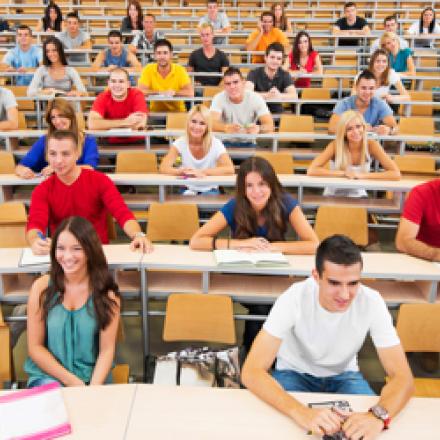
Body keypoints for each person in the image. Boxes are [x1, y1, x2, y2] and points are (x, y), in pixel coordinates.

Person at [241, 234, 414, 438]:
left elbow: (403, 377)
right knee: (288, 431)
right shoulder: (293, 298)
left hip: (345, 376)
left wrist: (377, 417)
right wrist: (301, 412)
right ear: (316, 276)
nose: (345, 295)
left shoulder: (372, 301)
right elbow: (251, 371)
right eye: (334, 283)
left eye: (353, 283)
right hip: (294, 374)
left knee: (371, 432)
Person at [190, 156, 319, 349]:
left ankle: (253, 355)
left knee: (264, 306)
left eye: (262, 184)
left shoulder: (285, 202)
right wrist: (240, 244)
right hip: (240, 274)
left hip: (274, 273)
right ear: (242, 188)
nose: (256, 191)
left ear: (271, 184)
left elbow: (314, 244)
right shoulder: (236, 204)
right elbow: (196, 240)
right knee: (264, 306)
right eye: (249, 185)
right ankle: (262, 356)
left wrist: (274, 246)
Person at [24, 216, 121, 387]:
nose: (67, 256)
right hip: (49, 376)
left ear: (90, 252)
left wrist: (91, 389)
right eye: (61, 248)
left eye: (77, 248)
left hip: (93, 379)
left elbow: (106, 351)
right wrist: (73, 382)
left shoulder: (107, 294)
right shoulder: (41, 289)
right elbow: (35, 348)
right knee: (59, 408)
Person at [26, 130, 152, 255]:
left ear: (77, 154)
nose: (58, 160)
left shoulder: (100, 180)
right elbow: (35, 224)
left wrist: (138, 235)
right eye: (53, 154)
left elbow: (122, 213)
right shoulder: (42, 190)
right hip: (64, 256)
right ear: (47, 156)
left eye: (65, 154)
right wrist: (35, 240)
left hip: (96, 253)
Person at [308, 110, 400, 197]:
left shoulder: (371, 145)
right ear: (344, 132)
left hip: (359, 195)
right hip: (333, 194)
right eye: (349, 129)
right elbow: (312, 170)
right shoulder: (335, 145)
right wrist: (344, 173)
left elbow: (395, 173)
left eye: (358, 126)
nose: (355, 132)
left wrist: (361, 175)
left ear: (364, 127)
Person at [159, 104, 234, 195]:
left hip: (210, 188)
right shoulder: (180, 142)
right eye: (193, 121)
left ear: (207, 127)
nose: (197, 127)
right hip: (187, 188)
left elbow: (230, 169)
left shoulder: (215, 143)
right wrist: (180, 172)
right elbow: (163, 167)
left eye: (202, 123)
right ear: (188, 122)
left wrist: (202, 172)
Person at [16, 98, 98, 179]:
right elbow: (21, 166)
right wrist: (23, 171)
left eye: (61, 115)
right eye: (53, 117)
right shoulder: (45, 140)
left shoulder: (88, 140)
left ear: (70, 116)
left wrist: (58, 168)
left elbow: (90, 168)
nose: (57, 121)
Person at [210, 67, 274, 147]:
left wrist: (259, 129)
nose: (232, 86)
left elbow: (270, 125)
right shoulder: (218, 98)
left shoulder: (255, 98)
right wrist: (225, 128)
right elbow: (211, 123)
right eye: (228, 84)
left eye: (236, 82)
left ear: (243, 83)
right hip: (224, 142)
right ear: (224, 86)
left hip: (249, 142)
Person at [328, 69, 398, 135]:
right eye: (363, 88)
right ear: (356, 87)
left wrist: (389, 130)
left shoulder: (380, 103)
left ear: (375, 88)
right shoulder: (344, 103)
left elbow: (395, 128)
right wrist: (359, 128)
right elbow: (331, 128)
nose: (367, 92)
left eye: (371, 88)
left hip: (371, 145)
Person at [88, 67, 148, 143]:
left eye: (121, 81)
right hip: (110, 143)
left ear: (128, 84)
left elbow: (140, 124)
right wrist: (125, 122)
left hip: (137, 142)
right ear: (108, 84)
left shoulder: (137, 94)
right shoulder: (102, 97)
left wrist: (106, 124)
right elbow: (92, 124)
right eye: (113, 81)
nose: (117, 85)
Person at [137, 39, 194, 113]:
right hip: (155, 113)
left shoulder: (180, 70)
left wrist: (174, 93)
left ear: (171, 55)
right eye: (159, 53)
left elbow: (190, 93)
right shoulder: (148, 69)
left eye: (165, 53)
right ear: (154, 55)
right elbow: (140, 92)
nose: (162, 56)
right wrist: (160, 92)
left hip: (177, 112)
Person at [246, 42, 297, 114]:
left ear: (282, 61)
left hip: (277, 112)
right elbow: (247, 93)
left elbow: (294, 96)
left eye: (278, 58)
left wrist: (279, 95)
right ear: (265, 57)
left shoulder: (285, 74)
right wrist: (267, 95)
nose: (275, 61)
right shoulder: (254, 73)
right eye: (272, 57)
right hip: (256, 111)